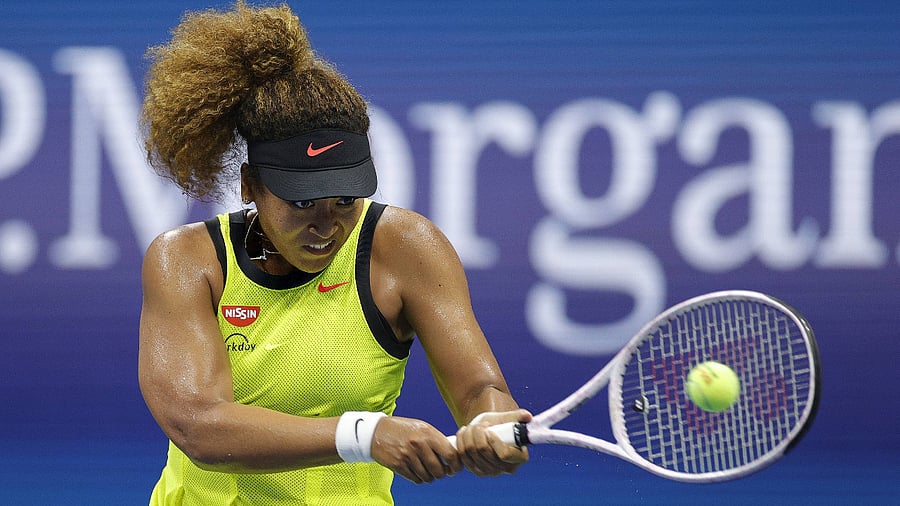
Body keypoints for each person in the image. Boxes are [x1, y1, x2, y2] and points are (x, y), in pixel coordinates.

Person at [137, 2, 530, 504]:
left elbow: (479, 391)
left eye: (346, 199)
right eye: (301, 201)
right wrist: (364, 434)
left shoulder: (406, 248)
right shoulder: (187, 260)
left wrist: (491, 422)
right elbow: (199, 425)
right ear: (250, 186)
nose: (327, 225)